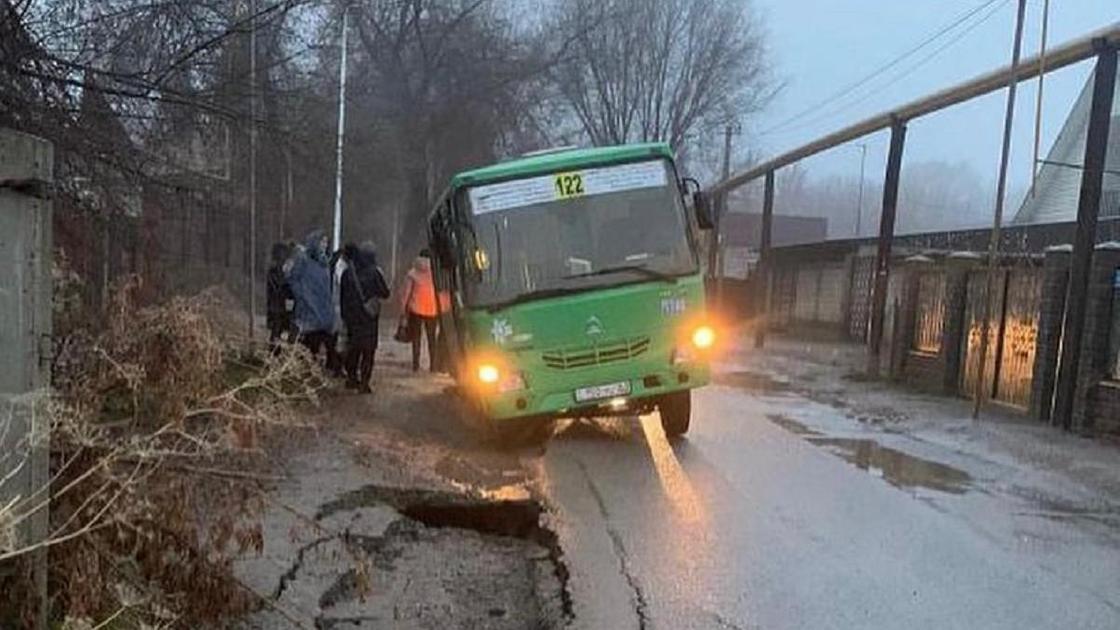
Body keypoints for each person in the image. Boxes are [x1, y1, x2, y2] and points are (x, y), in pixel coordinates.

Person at [340, 241, 390, 392]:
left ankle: (351, 378)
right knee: (368, 351)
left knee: (353, 348)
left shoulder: (348, 272)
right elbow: (385, 293)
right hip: (369, 318)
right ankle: (364, 382)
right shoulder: (375, 272)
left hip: (352, 317)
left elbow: (342, 297)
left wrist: (345, 315)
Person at [286, 229, 339, 366]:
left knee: (321, 343)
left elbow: (327, 288)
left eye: (326, 242)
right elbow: (293, 280)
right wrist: (302, 295)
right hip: (308, 310)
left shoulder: (324, 263)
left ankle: (316, 369)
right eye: (322, 241)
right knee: (308, 345)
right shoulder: (302, 260)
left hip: (323, 312)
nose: (324, 245)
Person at [400, 249, 439, 372]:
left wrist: (402, 310)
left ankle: (416, 365)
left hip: (415, 309)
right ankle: (433, 365)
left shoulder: (412, 273)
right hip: (432, 309)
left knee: (416, 338)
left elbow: (406, 293)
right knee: (431, 338)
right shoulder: (436, 273)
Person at [266, 242, 295, 350]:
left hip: (283, 306)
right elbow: (278, 287)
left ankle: (281, 354)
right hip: (277, 307)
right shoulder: (274, 271)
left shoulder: (285, 269)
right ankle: (274, 354)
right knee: (277, 332)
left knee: (285, 332)